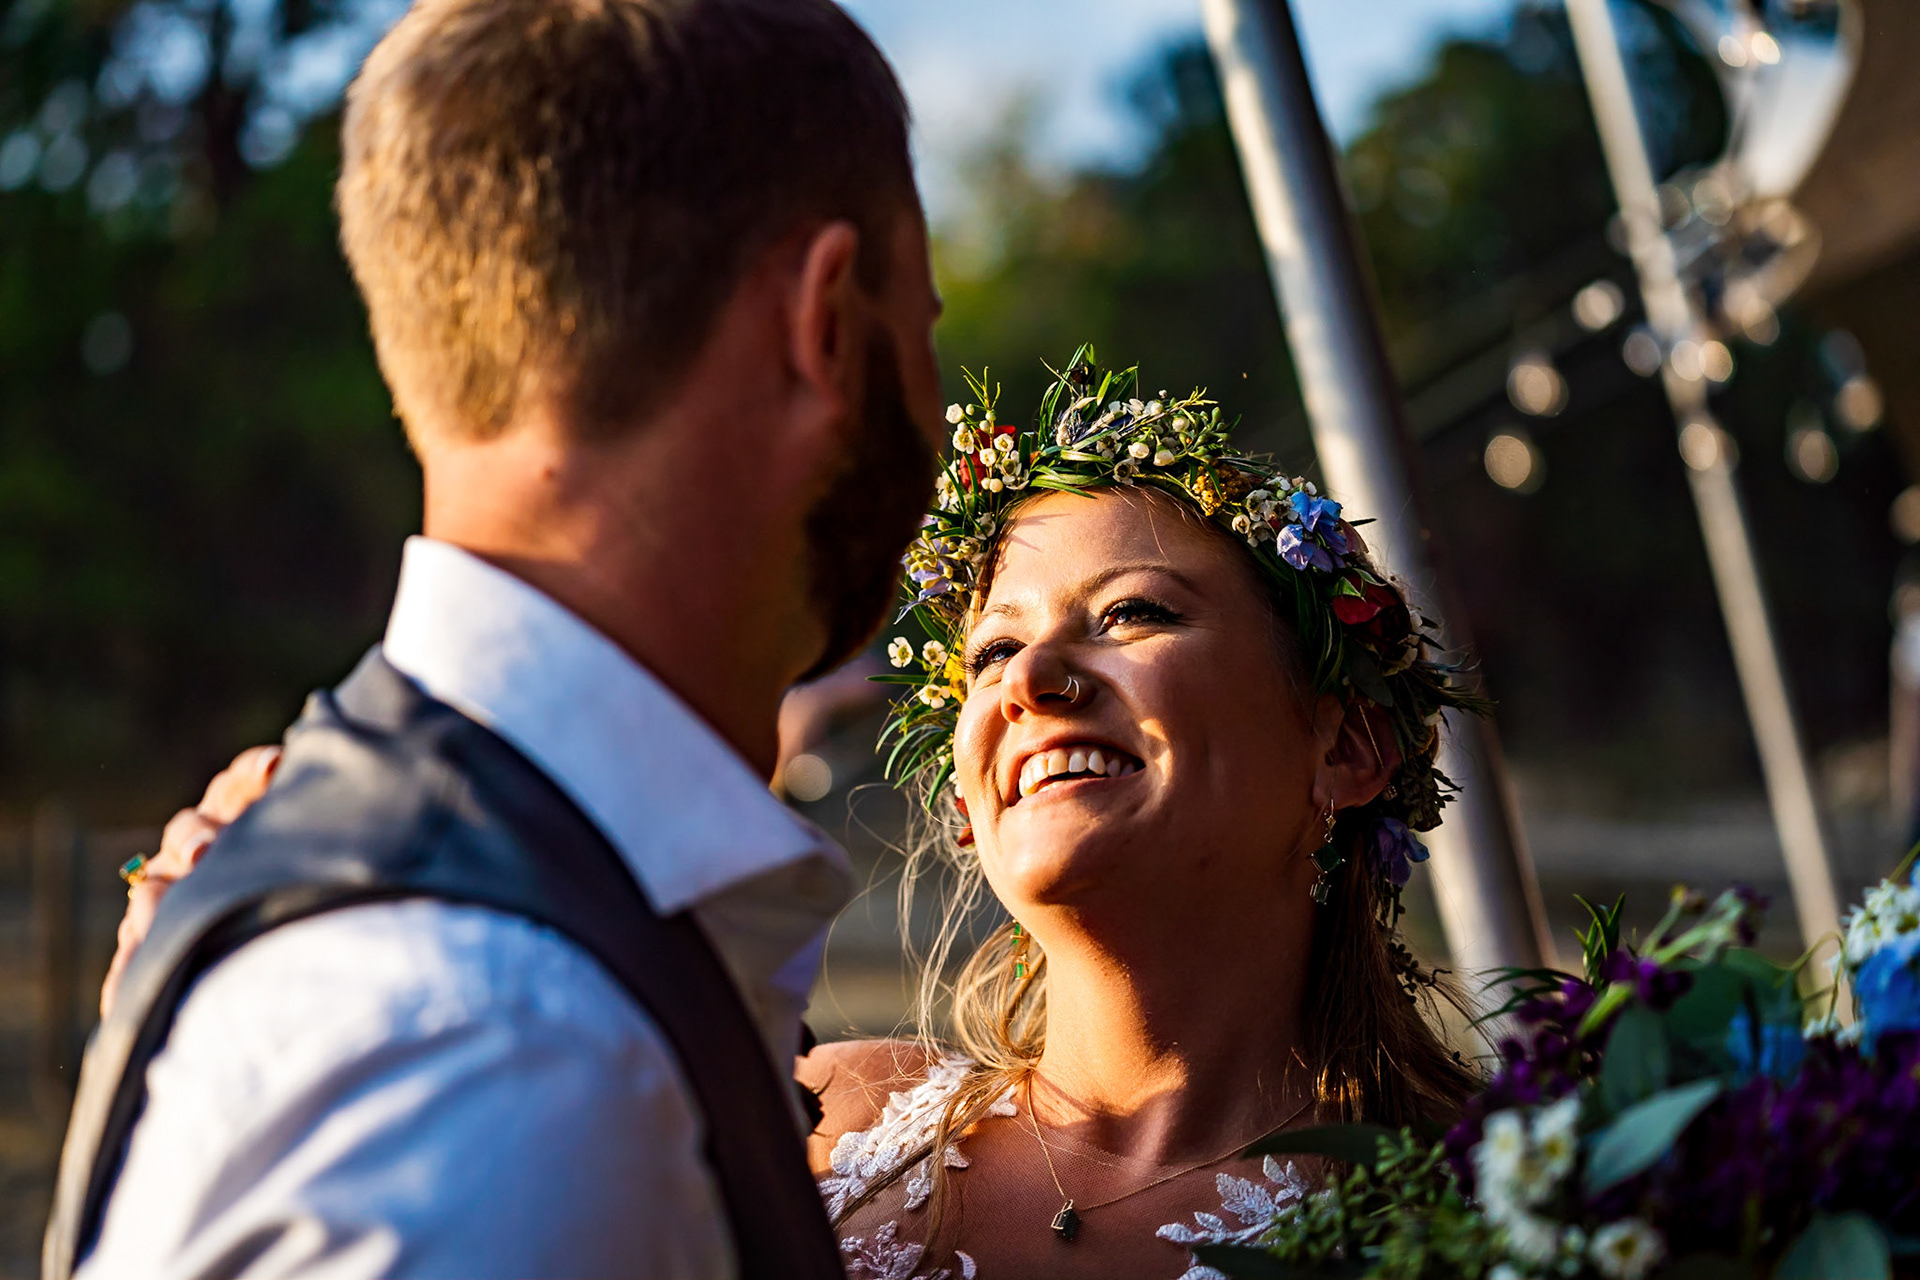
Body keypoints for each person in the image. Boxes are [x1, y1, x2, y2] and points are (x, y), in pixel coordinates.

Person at [111, 351, 1486, 1278]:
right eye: (995, 655)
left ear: (1350, 745)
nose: (1039, 681)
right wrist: (200, 999)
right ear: (965, 795)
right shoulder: (807, 1114)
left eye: (1135, 615)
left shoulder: (1501, 1207)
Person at [50, 0, 944, 1276]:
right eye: (927, 327)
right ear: (823, 328)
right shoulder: (494, 1048)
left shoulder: (505, 931)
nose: (941, 399)